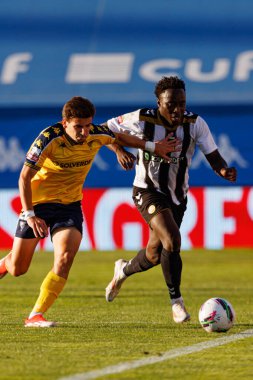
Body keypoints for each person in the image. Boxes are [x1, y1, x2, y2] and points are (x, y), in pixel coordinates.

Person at [0, 96, 180, 328]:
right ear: (64, 123)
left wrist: (142, 148)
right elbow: (24, 177)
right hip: (38, 204)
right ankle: (5, 263)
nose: (84, 132)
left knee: (65, 257)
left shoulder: (95, 133)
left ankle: (36, 315)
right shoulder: (48, 138)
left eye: (87, 126)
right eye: (78, 127)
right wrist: (30, 214)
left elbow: (115, 137)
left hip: (69, 206)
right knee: (18, 268)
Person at [105, 76, 237, 323]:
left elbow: (213, 154)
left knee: (155, 254)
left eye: (182, 103)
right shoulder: (142, 119)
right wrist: (119, 151)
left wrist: (223, 170)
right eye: (171, 104)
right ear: (158, 103)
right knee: (173, 239)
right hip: (147, 190)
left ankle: (122, 270)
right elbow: (104, 130)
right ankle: (176, 302)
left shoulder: (195, 123)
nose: (178, 110)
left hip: (177, 196)